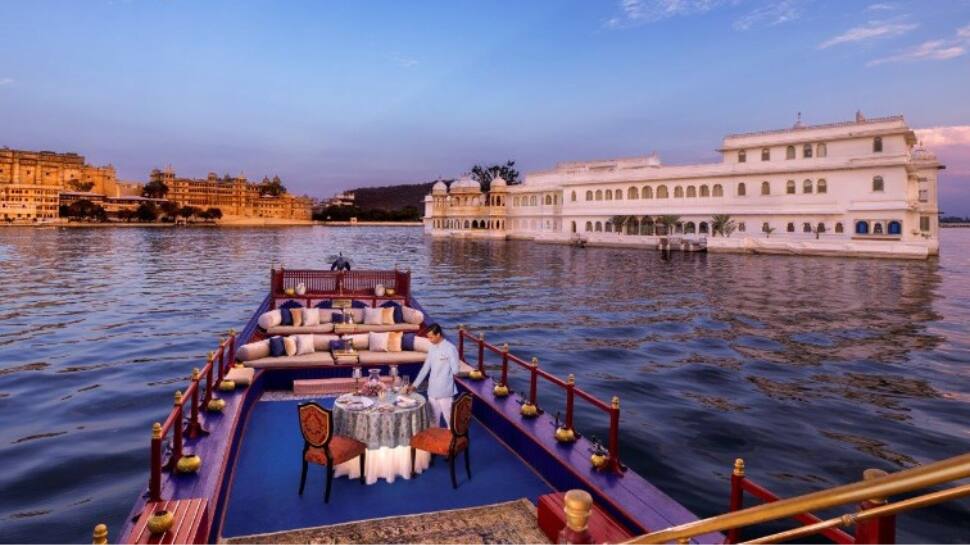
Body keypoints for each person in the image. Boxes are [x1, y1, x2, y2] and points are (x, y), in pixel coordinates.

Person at [410, 323, 459, 428]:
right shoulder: (432, 348)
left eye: (431, 337)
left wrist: (447, 364)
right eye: (428, 337)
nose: (429, 340)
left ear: (438, 335)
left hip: (446, 391)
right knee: (433, 421)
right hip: (432, 391)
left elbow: (456, 371)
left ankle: (452, 443)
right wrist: (414, 385)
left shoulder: (450, 348)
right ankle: (434, 442)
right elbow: (425, 369)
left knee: (450, 421)